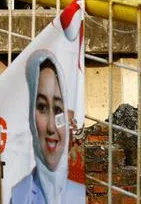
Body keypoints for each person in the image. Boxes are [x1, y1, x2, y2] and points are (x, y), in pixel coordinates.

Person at [11, 51, 84, 204]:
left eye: (58, 109)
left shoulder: (80, 194)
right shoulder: (20, 194)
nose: (51, 127)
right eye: (42, 107)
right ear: (31, 114)